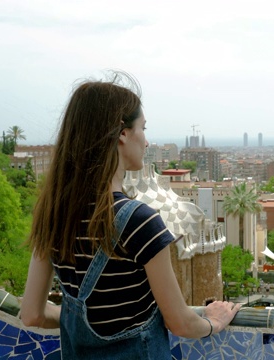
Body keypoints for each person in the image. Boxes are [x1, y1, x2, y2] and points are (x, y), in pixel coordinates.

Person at [20, 71, 240, 359]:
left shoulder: (53, 216)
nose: (146, 142)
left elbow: (32, 314)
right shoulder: (139, 221)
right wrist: (213, 321)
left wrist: (86, 323)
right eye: (143, 128)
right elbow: (179, 322)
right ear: (122, 133)